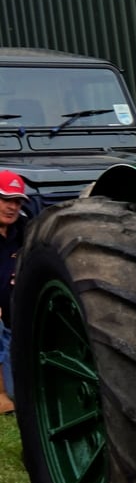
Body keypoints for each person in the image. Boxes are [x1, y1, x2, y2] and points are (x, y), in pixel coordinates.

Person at [0, 170, 29, 414]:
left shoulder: (24, 230)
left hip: (15, 317)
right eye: (5, 199)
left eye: (17, 201)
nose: (12, 207)